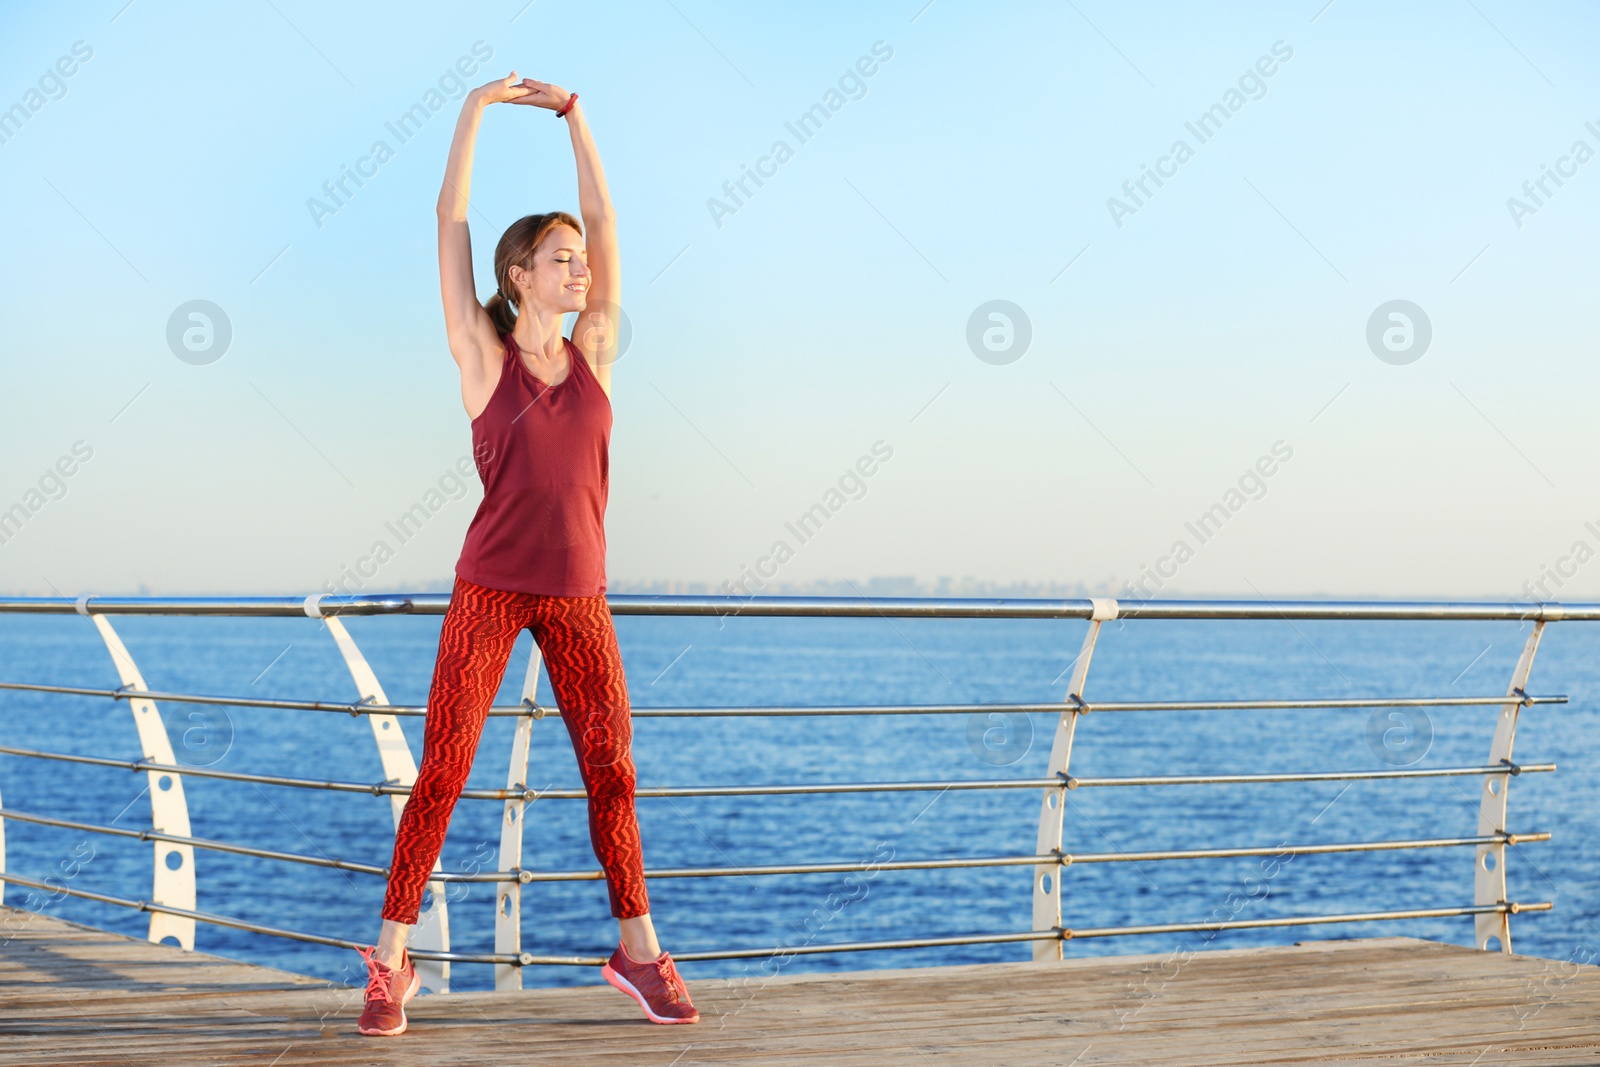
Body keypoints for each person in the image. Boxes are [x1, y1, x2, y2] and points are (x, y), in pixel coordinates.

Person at [356, 70, 698, 1037]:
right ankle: (389, 961)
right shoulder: (481, 353)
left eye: (581, 259)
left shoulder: (594, 347)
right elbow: (450, 215)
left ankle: (638, 953)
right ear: (520, 274)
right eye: (560, 257)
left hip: (580, 595)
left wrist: (578, 121)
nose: (580, 268)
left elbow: (608, 215)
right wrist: (473, 110)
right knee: (446, 769)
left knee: (611, 771)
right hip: (492, 590)